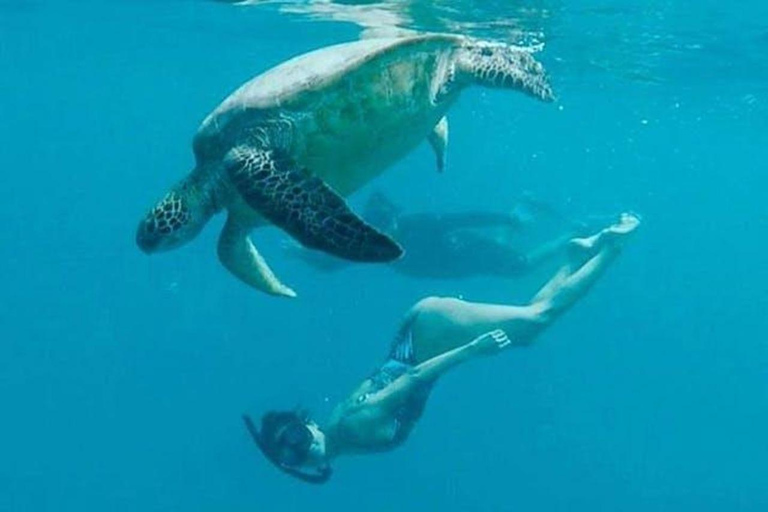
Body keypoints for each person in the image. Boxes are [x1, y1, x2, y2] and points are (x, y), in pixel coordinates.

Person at [243, 213, 641, 483]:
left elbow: (413, 377)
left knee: (538, 318)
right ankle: (573, 257)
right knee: (529, 328)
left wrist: (473, 350)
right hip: (421, 330)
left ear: (306, 423)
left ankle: (613, 245)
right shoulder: (338, 431)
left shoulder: (349, 428)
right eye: (293, 453)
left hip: (433, 334)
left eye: (296, 436)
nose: (304, 446)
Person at [285, 191, 584, 279]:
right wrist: (300, 253)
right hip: (448, 267)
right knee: (499, 261)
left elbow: (464, 218)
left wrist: (508, 218)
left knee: (520, 268)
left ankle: (570, 237)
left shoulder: (417, 222)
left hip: (464, 251)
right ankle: (521, 209)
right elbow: (332, 264)